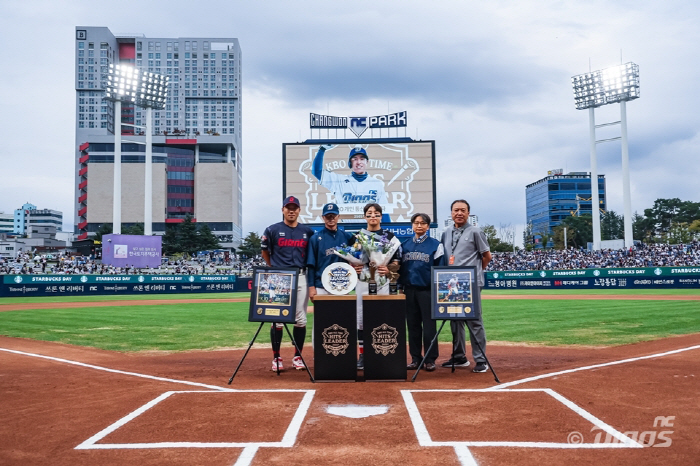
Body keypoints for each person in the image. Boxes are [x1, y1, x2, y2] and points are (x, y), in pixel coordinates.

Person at [261, 196, 315, 371]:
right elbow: (265, 252)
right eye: (288, 207)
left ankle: (297, 357)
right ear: (283, 209)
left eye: (295, 208)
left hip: (300, 275)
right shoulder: (272, 229)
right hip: (280, 276)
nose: (291, 210)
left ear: (299, 210)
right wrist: (273, 268)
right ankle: (276, 357)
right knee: (277, 319)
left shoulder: (307, 232)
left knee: (300, 318)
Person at [439, 200, 492, 373]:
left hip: (470, 283)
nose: (459, 213)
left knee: (474, 320)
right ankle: (459, 356)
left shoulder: (475, 231)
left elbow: (487, 256)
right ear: (451, 213)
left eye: (463, 210)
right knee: (455, 321)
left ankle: (480, 359)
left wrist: (476, 274)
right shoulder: (446, 232)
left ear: (469, 213)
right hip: (451, 283)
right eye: (456, 210)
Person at [353, 202, 401, 370]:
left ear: (381, 216)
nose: (373, 216)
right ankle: (363, 355)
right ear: (365, 216)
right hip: (363, 280)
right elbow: (351, 257)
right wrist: (354, 266)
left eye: (376, 213)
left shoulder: (389, 236)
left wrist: (389, 267)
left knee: (383, 316)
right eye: (369, 213)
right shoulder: (357, 236)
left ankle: (382, 352)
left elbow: (398, 259)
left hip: (382, 280)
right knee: (361, 319)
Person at [399, 213, 444, 372]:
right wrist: (399, 287)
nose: (419, 226)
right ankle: (415, 358)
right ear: (412, 225)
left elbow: (440, 269)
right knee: (413, 326)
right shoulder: (404, 245)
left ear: (428, 226)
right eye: (416, 223)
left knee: (430, 326)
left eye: (423, 223)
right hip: (409, 290)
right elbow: (399, 269)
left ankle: (430, 359)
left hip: (427, 290)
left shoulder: (436, 245)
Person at [311, 145, 389, 218]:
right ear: (350, 163)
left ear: (367, 162)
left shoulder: (376, 183)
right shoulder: (339, 181)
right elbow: (317, 172)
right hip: (347, 229)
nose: (359, 162)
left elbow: (384, 211)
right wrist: (322, 149)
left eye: (362, 159)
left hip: (370, 230)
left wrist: (387, 231)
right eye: (355, 159)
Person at [307, 203, 355, 301]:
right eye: (328, 216)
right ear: (323, 217)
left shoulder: (347, 237)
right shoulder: (315, 238)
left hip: (343, 284)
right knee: (323, 316)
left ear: (338, 217)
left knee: (343, 315)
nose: (331, 219)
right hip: (322, 285)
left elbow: (357, 257)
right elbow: (311, 265)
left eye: (333, 216)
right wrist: (311, 287)